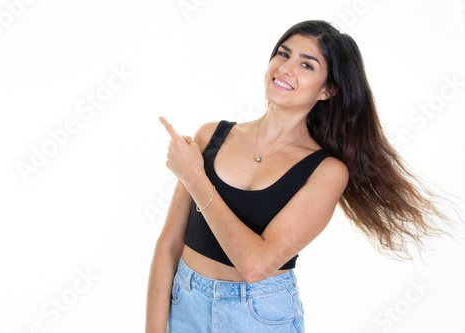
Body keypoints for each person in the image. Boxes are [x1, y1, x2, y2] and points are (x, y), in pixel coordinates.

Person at [145, 20, 457, 333]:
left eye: (306, 64)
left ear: (327, 90)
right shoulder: (211, 135)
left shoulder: (326, 172)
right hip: (185, 303)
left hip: (258, 315)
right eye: (283, 54)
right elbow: (168, 246)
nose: (285, 68)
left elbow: (255, 265)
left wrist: (195, 178)